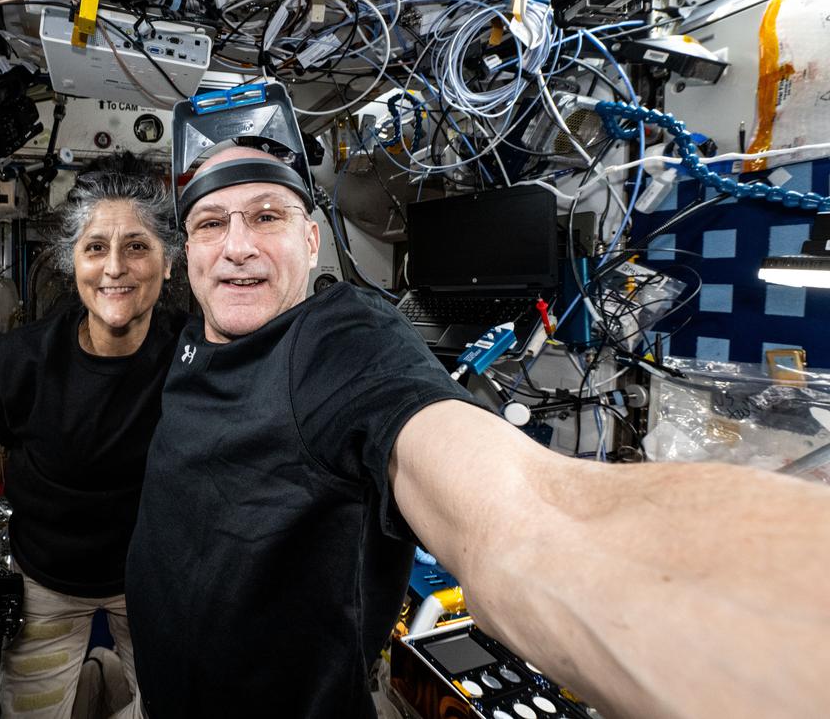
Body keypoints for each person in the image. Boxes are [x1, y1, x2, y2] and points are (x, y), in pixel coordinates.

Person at [125, 145, 830, 719]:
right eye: (212, 223)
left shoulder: (336, 340)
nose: (237, 246)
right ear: (189, 251)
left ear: (311, 241)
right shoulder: (192, 343)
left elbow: (524, 511)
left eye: (267, 215)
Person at [0, 152, 185, 719]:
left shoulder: (195, 359)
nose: (115, 268)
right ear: (72, 262)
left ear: (169, 263)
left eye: (138, 246)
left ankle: (104, 685)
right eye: (96, 247)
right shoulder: (18, 361)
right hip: (44, 581)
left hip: (153, 580)